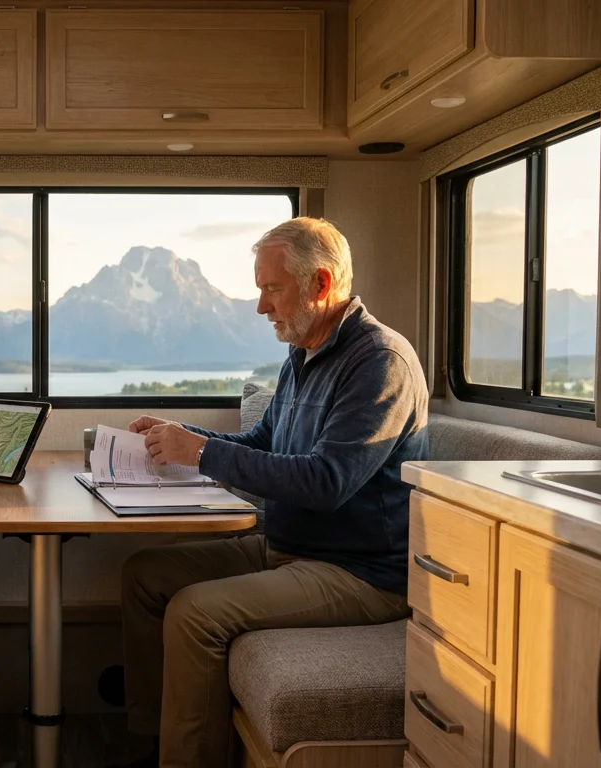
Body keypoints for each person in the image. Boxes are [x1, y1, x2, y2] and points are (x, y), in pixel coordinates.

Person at [115, 217, 429, 768]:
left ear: (321, 284)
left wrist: (203, 454)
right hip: (289, 549)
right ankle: (154, 743)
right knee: (145, 575)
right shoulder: (304, 353)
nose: (262, 307)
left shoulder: (380, 363)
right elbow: (263, 442)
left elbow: (327, 482)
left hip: (358, 573)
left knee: (193, 612)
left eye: (271, 289)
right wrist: (181, 438)